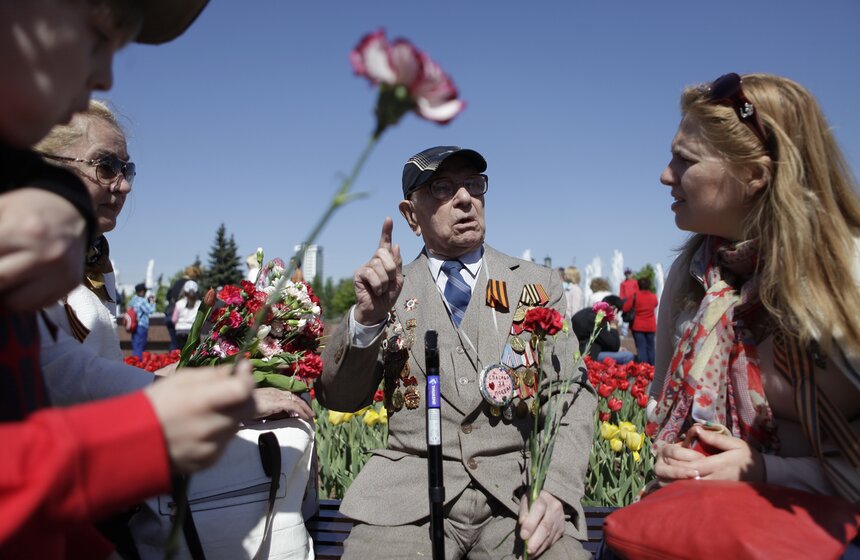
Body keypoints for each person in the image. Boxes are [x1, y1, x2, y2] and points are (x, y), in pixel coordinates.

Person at [0, 2, 260, 557]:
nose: (108, 75)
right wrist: (140, 439)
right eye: (97, 36)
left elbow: (53, 367)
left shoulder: (79, 250)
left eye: (127, 170)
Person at [317, 146, 597, 559]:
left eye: (474, 184)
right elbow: (340, 398)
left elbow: (570, 394)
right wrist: (368, 319)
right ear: (411, 214)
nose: (465, 198)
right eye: (442, 188)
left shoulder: (536, 284)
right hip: (406, 502)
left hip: (518, 494)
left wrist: (555, 490)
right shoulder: (387, 289)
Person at [648, 73, 860, 505]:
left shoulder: (845, 276)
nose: (665, 176)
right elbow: (658, 404)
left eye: (685, 160)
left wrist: (765, 472)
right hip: (706, 524)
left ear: (754, 175)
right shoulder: (692, 274)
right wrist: (674, 454)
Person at [571, 295, 634, 364]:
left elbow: (603, 339)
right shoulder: (596, 319)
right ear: (614, 309)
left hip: (582, 350)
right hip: (588, 355)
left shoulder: (588, 313)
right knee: (628, 356)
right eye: (617, 312)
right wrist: (613, 325)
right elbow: (614, 346)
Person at [165, 265, 202, 350]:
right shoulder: (191, 285)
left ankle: (172, 360)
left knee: (175, 346)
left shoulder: (177, 283)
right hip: (185, 320)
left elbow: (168, 296)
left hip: (172, 315)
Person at [622, 277, 658, 365]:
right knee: (651, 348)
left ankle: (643, 369)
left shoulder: (635, 295)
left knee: (641, 348)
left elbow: (625, 308)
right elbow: (656, 304)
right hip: (650, 326)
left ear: (638, 285)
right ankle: (652, 368)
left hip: (638, 326)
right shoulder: (653, 296)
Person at [129, 282, 155, 357]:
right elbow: (150, 310)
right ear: (142, 291)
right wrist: (152, 300)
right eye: (145, 291)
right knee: (140, 347)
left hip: (133, 325)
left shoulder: (133, 299)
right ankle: (138, 364)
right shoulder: (142, 301)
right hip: (141, 325)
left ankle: (134, 361)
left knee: (135, 345)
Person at [172, 279, 201, 349]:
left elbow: (174, 319)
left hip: (180, 331)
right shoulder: (199, 304)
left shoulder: (179, 303)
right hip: (194, 332)